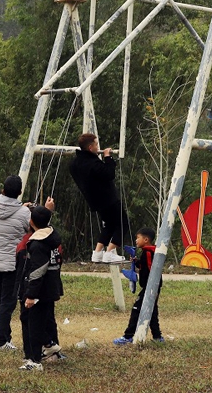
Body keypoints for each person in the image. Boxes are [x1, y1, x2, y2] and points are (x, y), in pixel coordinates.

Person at [0, 175, 32, 351]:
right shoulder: (24, 213)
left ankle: (5, 339)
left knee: (0, 300)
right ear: (20, 192)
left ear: (2, 189)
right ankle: (0, 340)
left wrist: (21, 208)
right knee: (8, 302)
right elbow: (28, 229)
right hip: (12, 263)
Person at [70, 133, 129, 263]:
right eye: (96, 144)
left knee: (109, 225)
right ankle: (109, 252)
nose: (98, 147)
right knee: (122, 223)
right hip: (108, 199)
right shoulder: (92, 163)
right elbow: (109, 174)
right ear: (91, 147)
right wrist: (107, 157)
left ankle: (97, 253)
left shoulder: (76, 163)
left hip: (94, 200)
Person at [17, 206, 63, 372]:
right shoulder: (52, 236)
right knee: (28, 318)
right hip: (50, 288)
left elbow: (37, 271)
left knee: (34, 324)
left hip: (40, 291)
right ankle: (50, 344)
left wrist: (31, 295)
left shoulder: (38, 244)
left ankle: (35, 361)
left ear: (31, 222)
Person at [113, 227, 164, 345]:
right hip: (149, 288)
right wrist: (136, 262)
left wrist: (155, 288)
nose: (136, 240)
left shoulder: (149, 252)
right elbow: (144, 266)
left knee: (137, 309)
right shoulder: (147, 252)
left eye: (138, 238)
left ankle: (128, 336)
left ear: (146, 239)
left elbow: (154, 270)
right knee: (152, 311)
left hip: (150, 288)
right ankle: (157, 337)